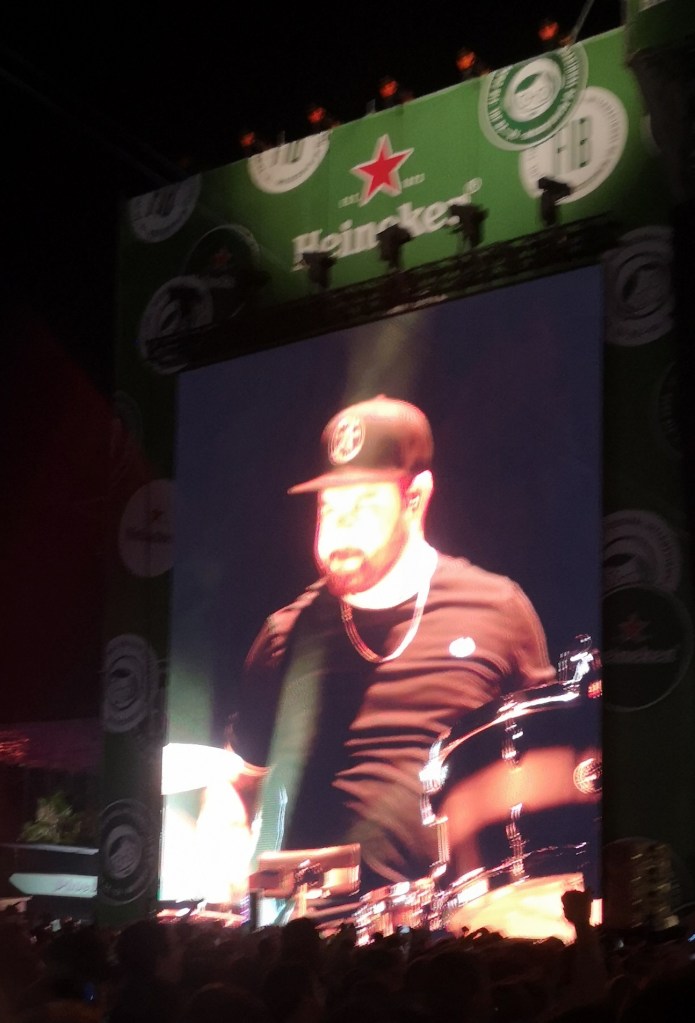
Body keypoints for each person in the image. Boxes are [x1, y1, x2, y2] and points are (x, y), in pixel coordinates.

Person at [198, 395, 556, 902]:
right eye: (329, 508)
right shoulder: (286, 636)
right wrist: (224, 850)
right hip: (318, 931)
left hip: (463, 924)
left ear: (415, 498)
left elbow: (545, 760)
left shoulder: (498, 610)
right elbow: (238, 781)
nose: (339, 530)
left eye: (363, 505)